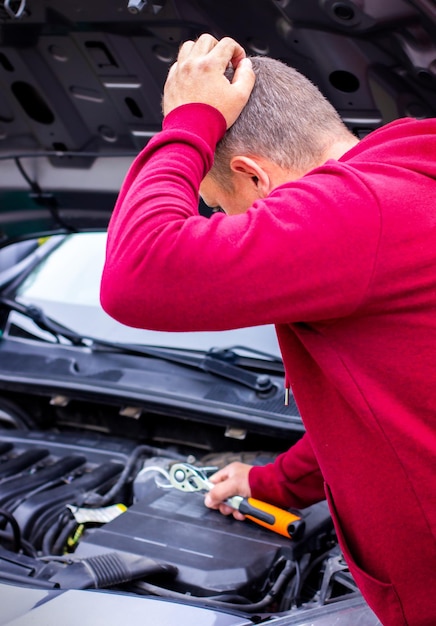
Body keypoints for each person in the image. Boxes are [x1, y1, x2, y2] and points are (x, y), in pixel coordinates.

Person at [100, 34, 436, 625]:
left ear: (253, 176)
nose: (225, 226)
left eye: (219, 209)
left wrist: (189, 121)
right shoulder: (408, 177)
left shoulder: (357, 214)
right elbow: (390, 401)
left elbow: (137, 274)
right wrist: (274, 482)